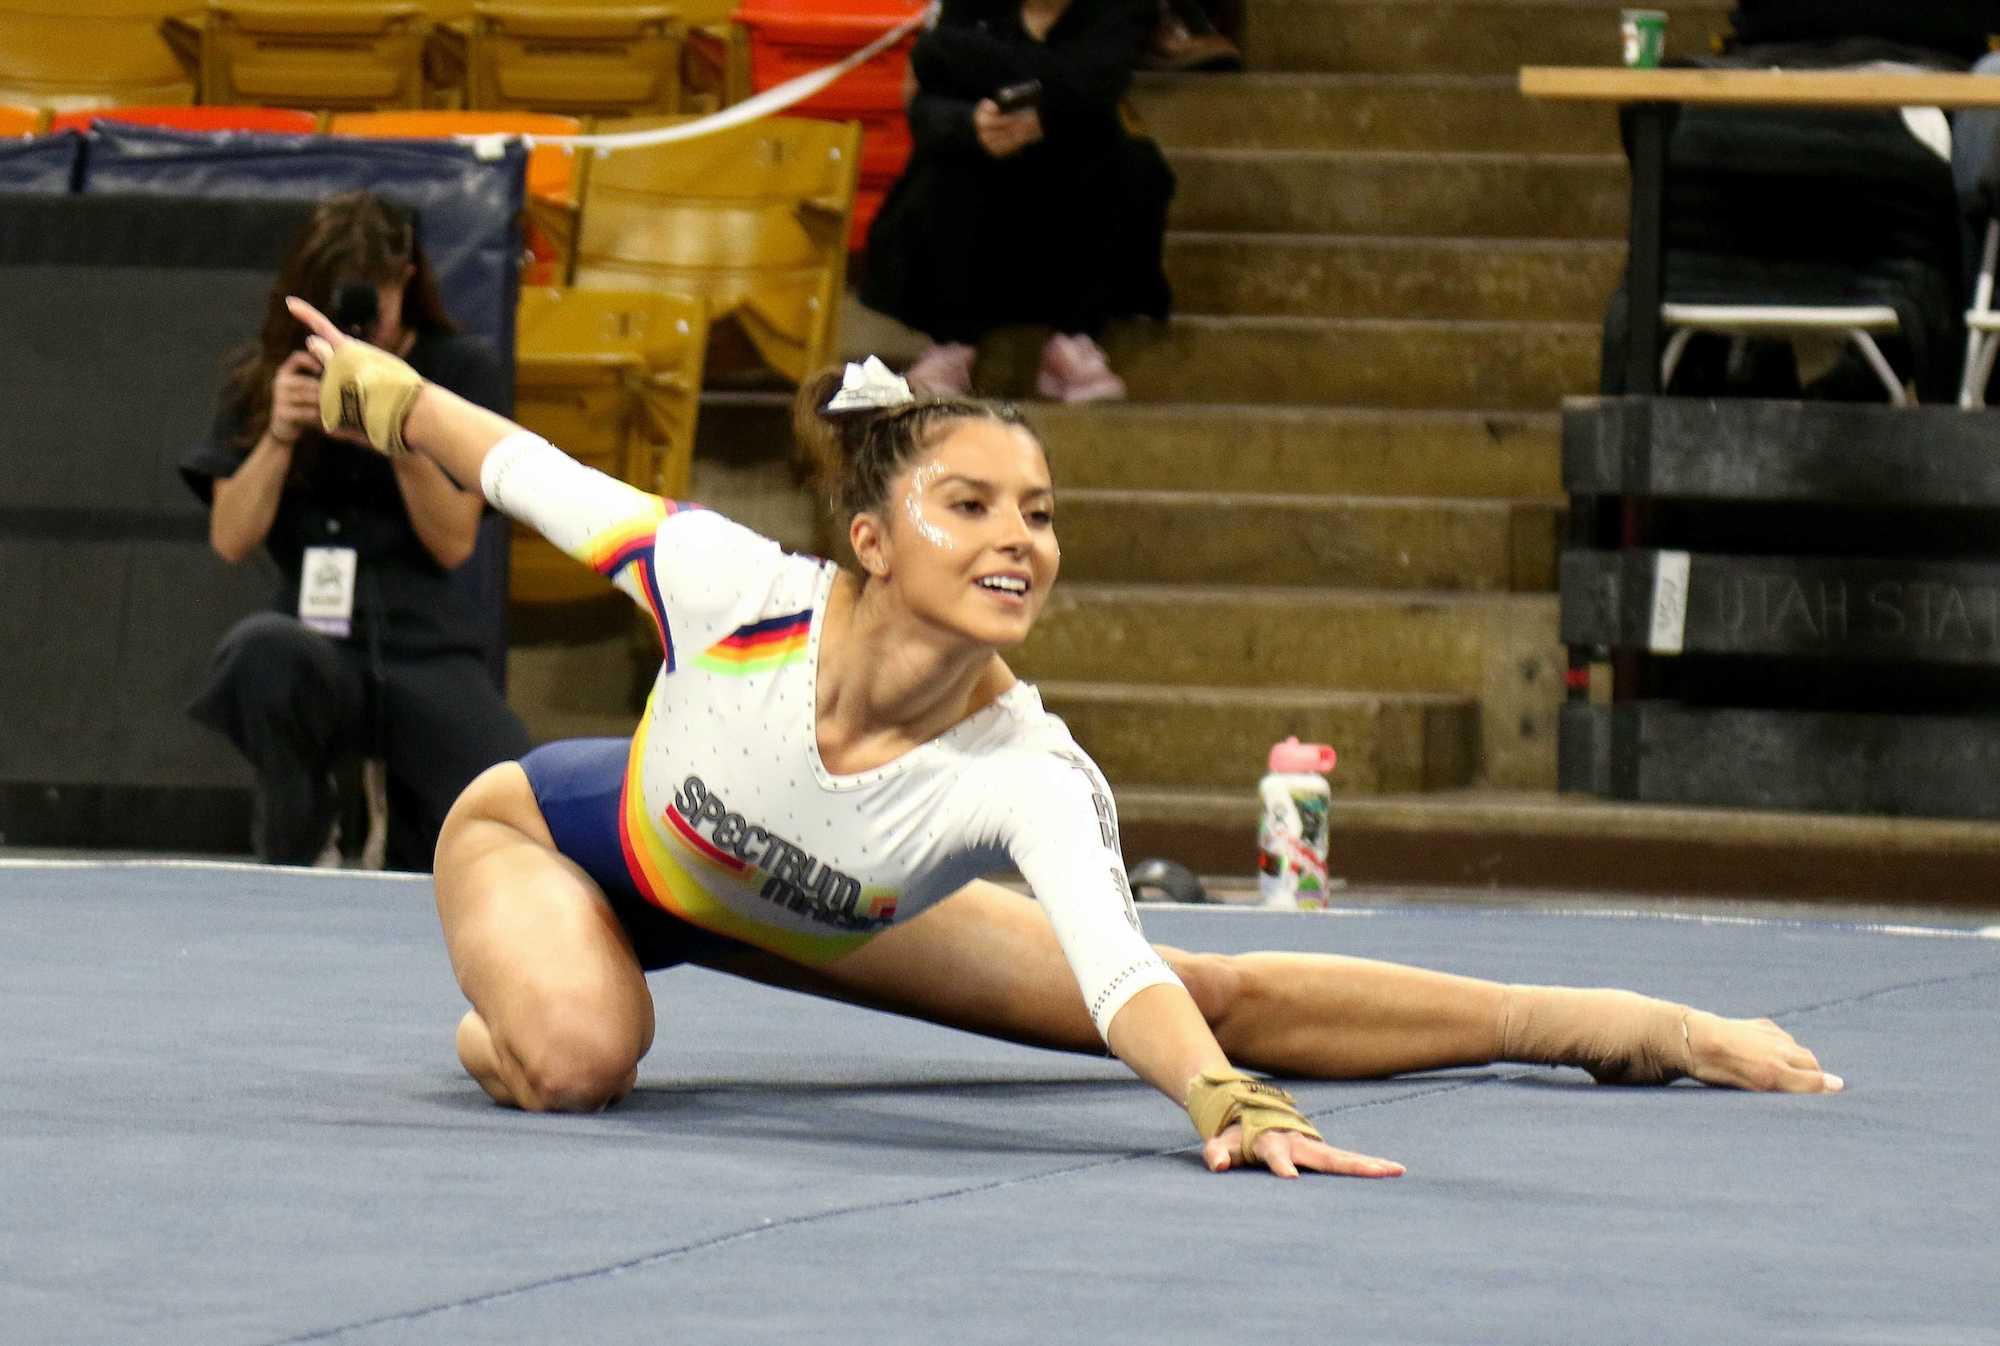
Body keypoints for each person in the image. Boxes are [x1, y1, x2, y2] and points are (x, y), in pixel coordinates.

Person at [288, 305, 1843, 1181]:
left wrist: (1220, 1104)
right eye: (971, 506)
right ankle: (505, 1014)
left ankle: (1598, 1017)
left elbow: (1131, 976)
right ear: (872, 539)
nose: (1018, 538)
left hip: (801, 913)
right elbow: (525, 469)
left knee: (1217, 1004)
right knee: (578, 1059)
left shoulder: (1024, 769)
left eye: (1038, 512)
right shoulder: (731, 592)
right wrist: (382, 384)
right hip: (563, 842)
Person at [181, 192, 531, 872]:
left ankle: (397, 824)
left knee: (513, 800)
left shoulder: (457, 371)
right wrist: (278, 437)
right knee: (259, 652)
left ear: (405, 281)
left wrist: (402, 433)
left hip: (425, 645)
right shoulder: (269, 373)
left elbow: (455, 541)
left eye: (369, 306)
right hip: (309, 638)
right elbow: (230, 537)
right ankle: (301, 834)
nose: (356, 328)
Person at [860, 0, 1175, 403]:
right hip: (984, 196)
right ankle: (953, 343)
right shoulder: (971, 7)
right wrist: (972, 123)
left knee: (1132, 163)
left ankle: (1074, 337)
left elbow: (1096, 83)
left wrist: (966, 60)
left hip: (1072, 190)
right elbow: (926, 103)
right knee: (948, 159)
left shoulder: (1118, 10)